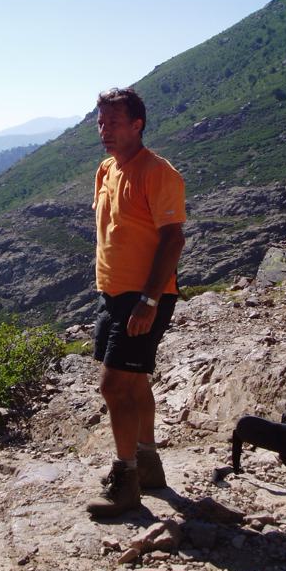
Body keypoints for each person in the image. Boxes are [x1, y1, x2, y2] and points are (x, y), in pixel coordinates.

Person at [87, 87, 186, 518]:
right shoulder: (106, 169)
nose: (104, 129)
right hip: (113, 293)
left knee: (114, 385)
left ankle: (125, 480)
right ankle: (148, 464)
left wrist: (148, 299)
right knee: (136, 379)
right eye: (100, 121)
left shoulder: (157, 172)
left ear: (137, 124)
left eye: (113, 122)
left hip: (143, 295)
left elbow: (173, 238)